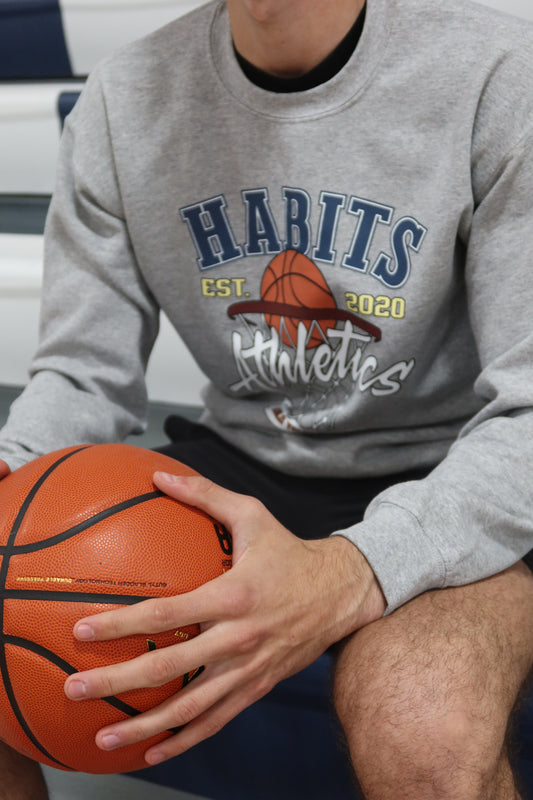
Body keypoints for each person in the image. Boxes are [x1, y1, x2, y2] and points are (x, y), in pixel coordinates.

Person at [1, 0, 533, 797]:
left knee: (418, 720)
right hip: (245, 467)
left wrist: (354, 568)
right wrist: (9, 470)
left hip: (453, 470)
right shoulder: (123, 97)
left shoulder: (501, 72)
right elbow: (82, 376)